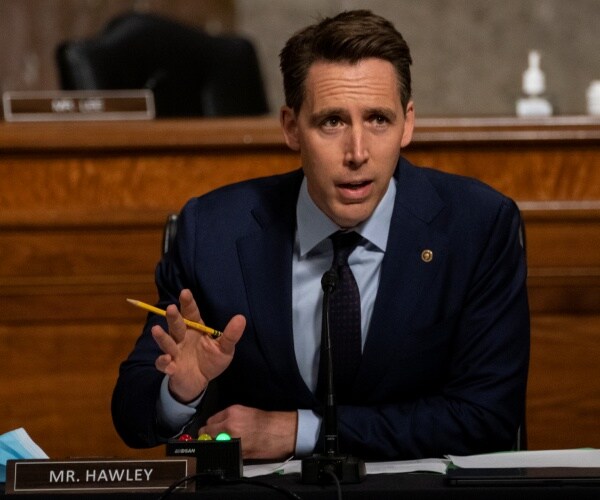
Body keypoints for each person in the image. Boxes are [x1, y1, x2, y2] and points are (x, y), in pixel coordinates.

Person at [112, 9, 529, 461]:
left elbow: (487, 419)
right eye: (332, 122)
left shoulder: (477, 226)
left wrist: (299, 432)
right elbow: (131, 414)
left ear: (407, 123)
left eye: (378, 120)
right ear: (291, 127)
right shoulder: (212, 231)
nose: (357, 153)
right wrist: (180, 392)